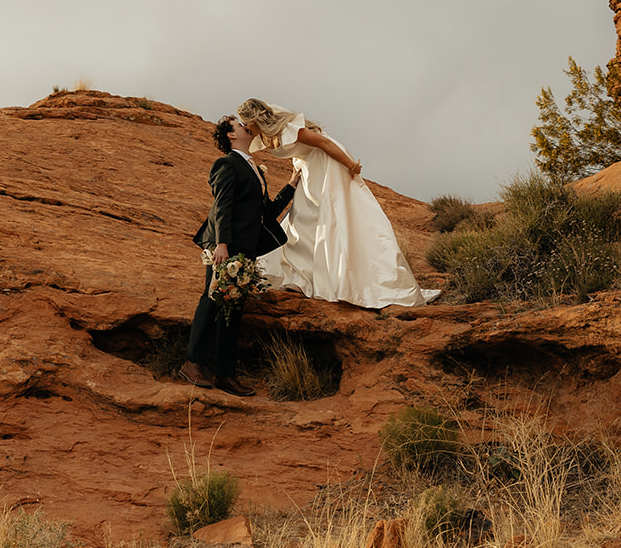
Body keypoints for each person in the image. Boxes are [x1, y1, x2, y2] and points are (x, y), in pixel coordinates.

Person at [236, 99, 439, 309]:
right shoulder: (264, 135)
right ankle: (302, 276)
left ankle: (338, 279)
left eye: (245, 122)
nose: (244, 127)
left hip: (328, 162)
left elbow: (324, 143)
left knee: (333, 214)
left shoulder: (288, 129)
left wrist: (350, 164)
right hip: (308, 166)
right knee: (303, 218)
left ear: (254, 119)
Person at [182, 115, 299, 396]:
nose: (246, 124)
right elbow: (222, 205)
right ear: (231, 136)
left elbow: (266, 213)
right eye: (238, 123)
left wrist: (293, 185)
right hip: (224, 246)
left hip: (245, 249)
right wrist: (221, 245)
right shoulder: (226, 164)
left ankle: (225, 374)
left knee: (233, 310)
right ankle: (191, 363)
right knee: (211, 302)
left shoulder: (254, 169)